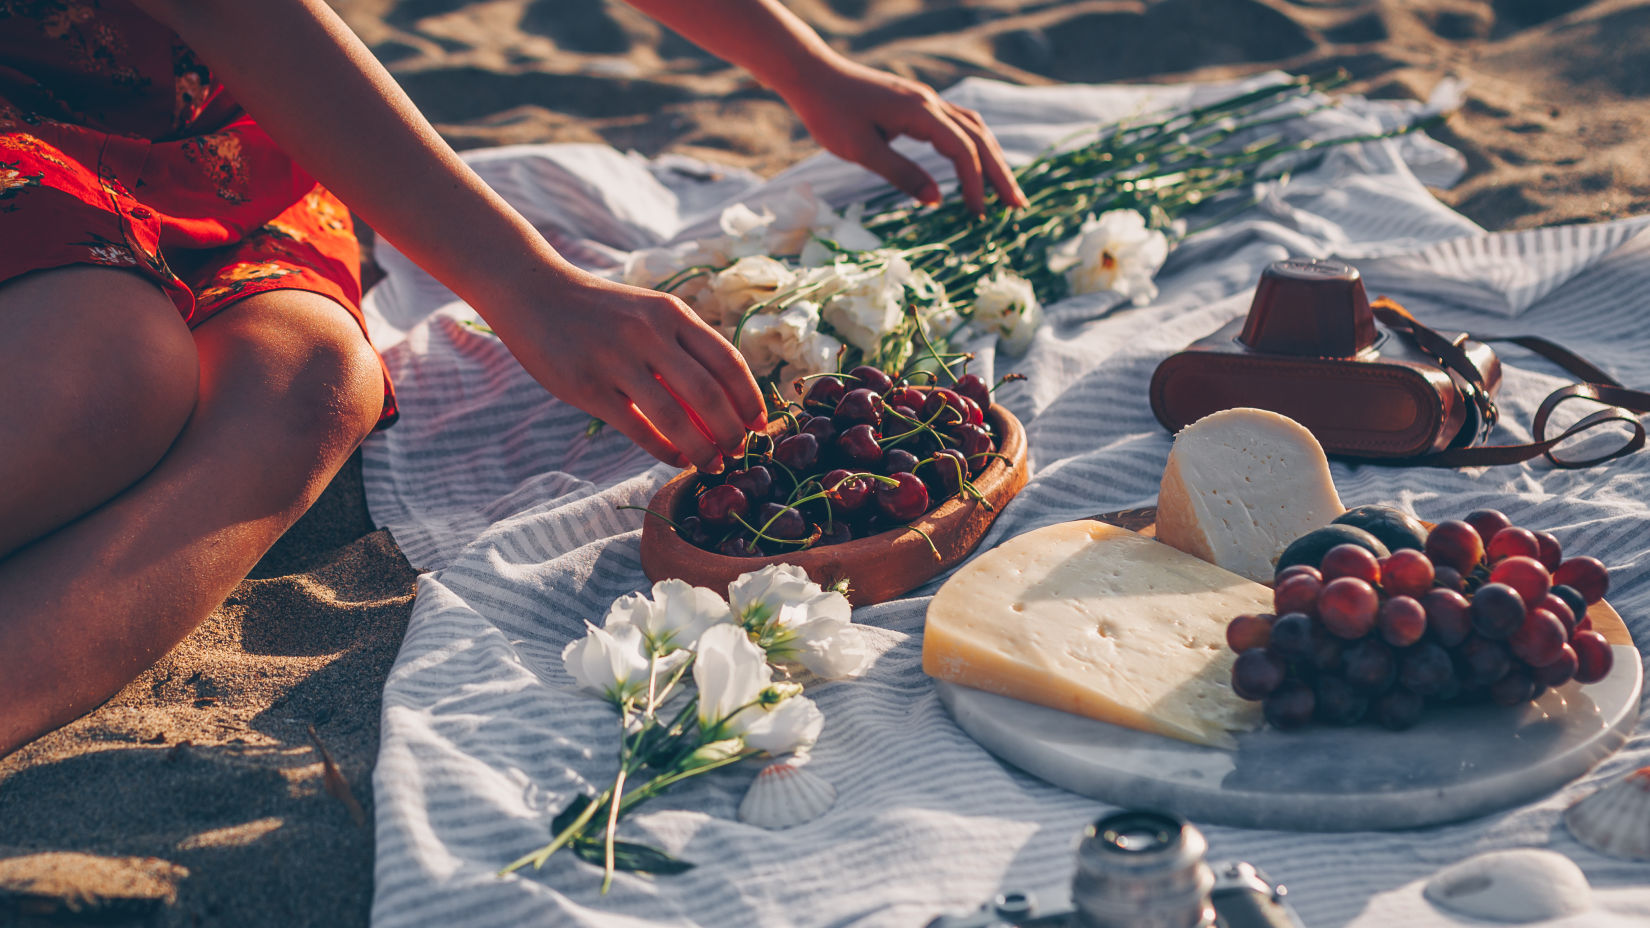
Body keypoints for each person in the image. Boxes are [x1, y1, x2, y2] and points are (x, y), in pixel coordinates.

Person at [0, 0, 1025, 757]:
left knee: (315, 384)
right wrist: (531, 287)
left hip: (235, 142)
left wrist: (803, 67)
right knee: (110, 371)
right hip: (33, 98)